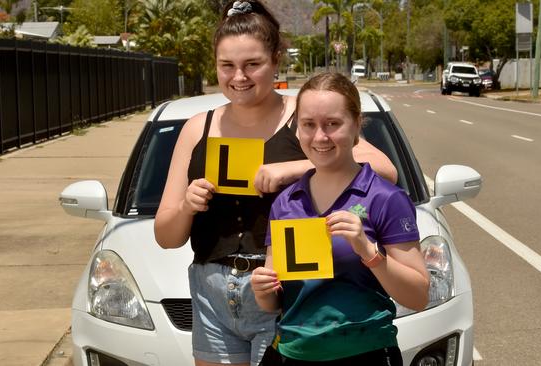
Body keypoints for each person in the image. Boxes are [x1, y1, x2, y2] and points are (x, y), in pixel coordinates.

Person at [154, 2, 397, 365]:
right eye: (227, 66)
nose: (239, 77)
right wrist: (188, 205)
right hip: (212, 292)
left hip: (284, 285)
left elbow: (383, 169)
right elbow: (166, 236)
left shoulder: (303, 120)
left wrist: (296, 168)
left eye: (252, 64)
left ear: (276, 60)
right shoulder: (196, 127)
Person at [251, 72, 430, 366]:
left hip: (365, 353)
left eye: (332, 124)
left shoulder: (385, 198)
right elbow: (274, 301)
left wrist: (367, 250)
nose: (320, 137)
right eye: (308, 125)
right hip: (293, 353)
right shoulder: (286, 202)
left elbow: (418, 296)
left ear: (357, 125)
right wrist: (262, 290)